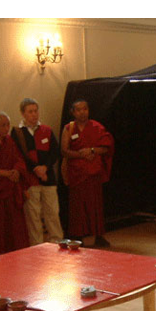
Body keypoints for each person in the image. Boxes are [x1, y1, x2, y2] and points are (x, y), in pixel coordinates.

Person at [61, 100, 114, 247]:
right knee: (77, 206)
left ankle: (98, 235)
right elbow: (64, 151)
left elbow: (106, 148)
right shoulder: (69, 129)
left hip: (93, 174)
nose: (82, 112)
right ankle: (77, 236)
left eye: (85, 109)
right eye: (78, 110)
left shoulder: (97, 127)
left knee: (95, 205)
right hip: (76, 174)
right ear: (73, 112)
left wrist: (92, 150)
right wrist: (81, 154)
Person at [11, 98, 63, 245]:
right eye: (30, 112)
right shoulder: (17, 133)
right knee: (33, 216)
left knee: (52, 213)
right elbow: (19, 154)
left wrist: (45, 167)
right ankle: (37, 246)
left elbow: (54, 152)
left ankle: (57, 243)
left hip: (48, 178)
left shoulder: (46, 130)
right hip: (30, 180)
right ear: (23, 113)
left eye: (35, 111)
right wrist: (35, 168)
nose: (34, 114)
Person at [0, 111, 29, 256]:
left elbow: (18, 160)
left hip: (9, 189)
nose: (6, 128)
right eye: (3, 125)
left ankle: (13, 254)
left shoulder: (9, 141)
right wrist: (6, 174)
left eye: (8, 125)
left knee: (13, 225)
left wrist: (16, 170)